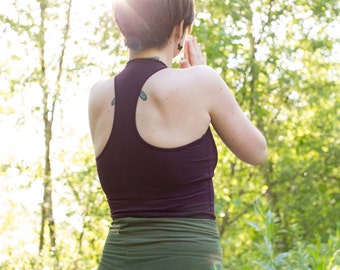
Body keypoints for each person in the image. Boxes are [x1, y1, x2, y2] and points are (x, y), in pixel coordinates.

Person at [88, 0, 267, 269]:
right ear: (179, 28)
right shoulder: (202, 81)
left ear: (122, 24)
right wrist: (203, 76)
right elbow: (257, 151)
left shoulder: (98, 95)